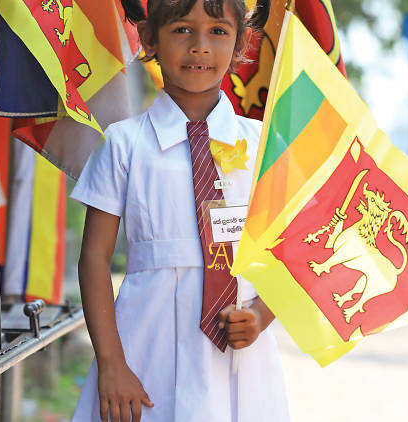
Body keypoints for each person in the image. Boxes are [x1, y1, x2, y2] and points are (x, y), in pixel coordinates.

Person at [69, 0, 288, 421]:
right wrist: (112, 363)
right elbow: (94, 260)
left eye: (218, 32)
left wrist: (262, 314)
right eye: (183, 30)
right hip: (145, 345)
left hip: (240, 356)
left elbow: (287, 251)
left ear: (242, 41)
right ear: (149, 37)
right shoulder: (123, 144)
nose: (200, 47)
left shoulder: (263, 145)